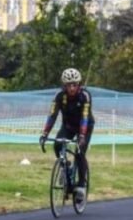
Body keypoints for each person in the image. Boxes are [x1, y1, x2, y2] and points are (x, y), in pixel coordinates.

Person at [39, 68, 95, 203]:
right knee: (57, 145)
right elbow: (52, 115)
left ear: (79, 85)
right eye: (68, 85)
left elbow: (85, 117)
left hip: (85, 126)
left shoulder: (85, 96)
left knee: (80, 153)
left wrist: (82, 135)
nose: (71, 88)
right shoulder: (59, 96)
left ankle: (81, 185)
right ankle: (65, 167)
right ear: (64, 86)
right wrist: (45, 133)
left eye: (74, 84)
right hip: (68, 126)